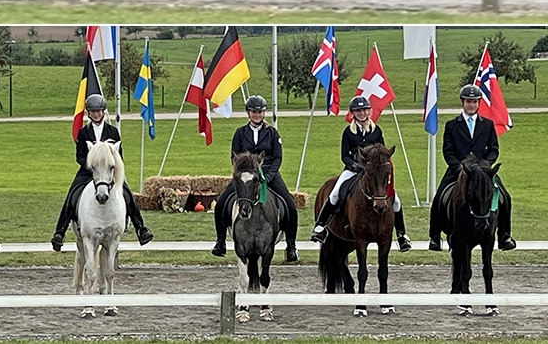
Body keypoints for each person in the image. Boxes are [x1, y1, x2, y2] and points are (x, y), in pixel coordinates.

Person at [50, 94, 154, 251]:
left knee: (127, 194)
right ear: (89, 113)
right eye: (93, 111)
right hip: (89, 170)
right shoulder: (83, 132)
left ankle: (141, 228)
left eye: (98, 111)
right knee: (72, 195)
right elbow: (79, 156)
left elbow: (119, 155)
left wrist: (109, 167)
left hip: (109, 171)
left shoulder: (112, 131)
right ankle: (60, 232)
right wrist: (92, 165)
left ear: (104, 112)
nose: (96, 114)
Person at [310, 96, 411, 252]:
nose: (362, 113)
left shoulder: (376, 130)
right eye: (358, 111)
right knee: (335, 193)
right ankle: (320, 227)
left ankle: (402, 235)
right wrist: (354, 165)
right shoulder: (348, 132)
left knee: (395, 200)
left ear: (369, 111)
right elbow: (344, 155)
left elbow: (382, 151)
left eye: (364, 110)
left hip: (373, 173)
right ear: (353, 113)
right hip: (353, 170)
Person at [211, 95, 300, 263]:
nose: (257, 115)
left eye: (260, 112)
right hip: (246, 176)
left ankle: (291, 246)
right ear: (248, 113)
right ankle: (220, 242)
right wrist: (243, 175)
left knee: (290, 205)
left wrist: (269, 175)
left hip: (268, 174)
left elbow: (278, 157)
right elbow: (234, 157)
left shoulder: (272, 133)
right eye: (253, 112)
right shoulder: (240, 133)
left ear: (264, 113)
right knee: (221, 203)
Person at [428, 84, 516, 251]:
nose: (472, 105)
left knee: (505, 197)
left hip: (482, 172)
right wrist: (459, 168)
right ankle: (434, 236)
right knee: (439, 198)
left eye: (475, 102)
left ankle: (504, 235)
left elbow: (493, 149)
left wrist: (485, 166)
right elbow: (448, 151)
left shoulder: (488, 125)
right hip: (459, 170)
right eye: (469, 101)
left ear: (479, 103)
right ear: (463, 102)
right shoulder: (452, 125)